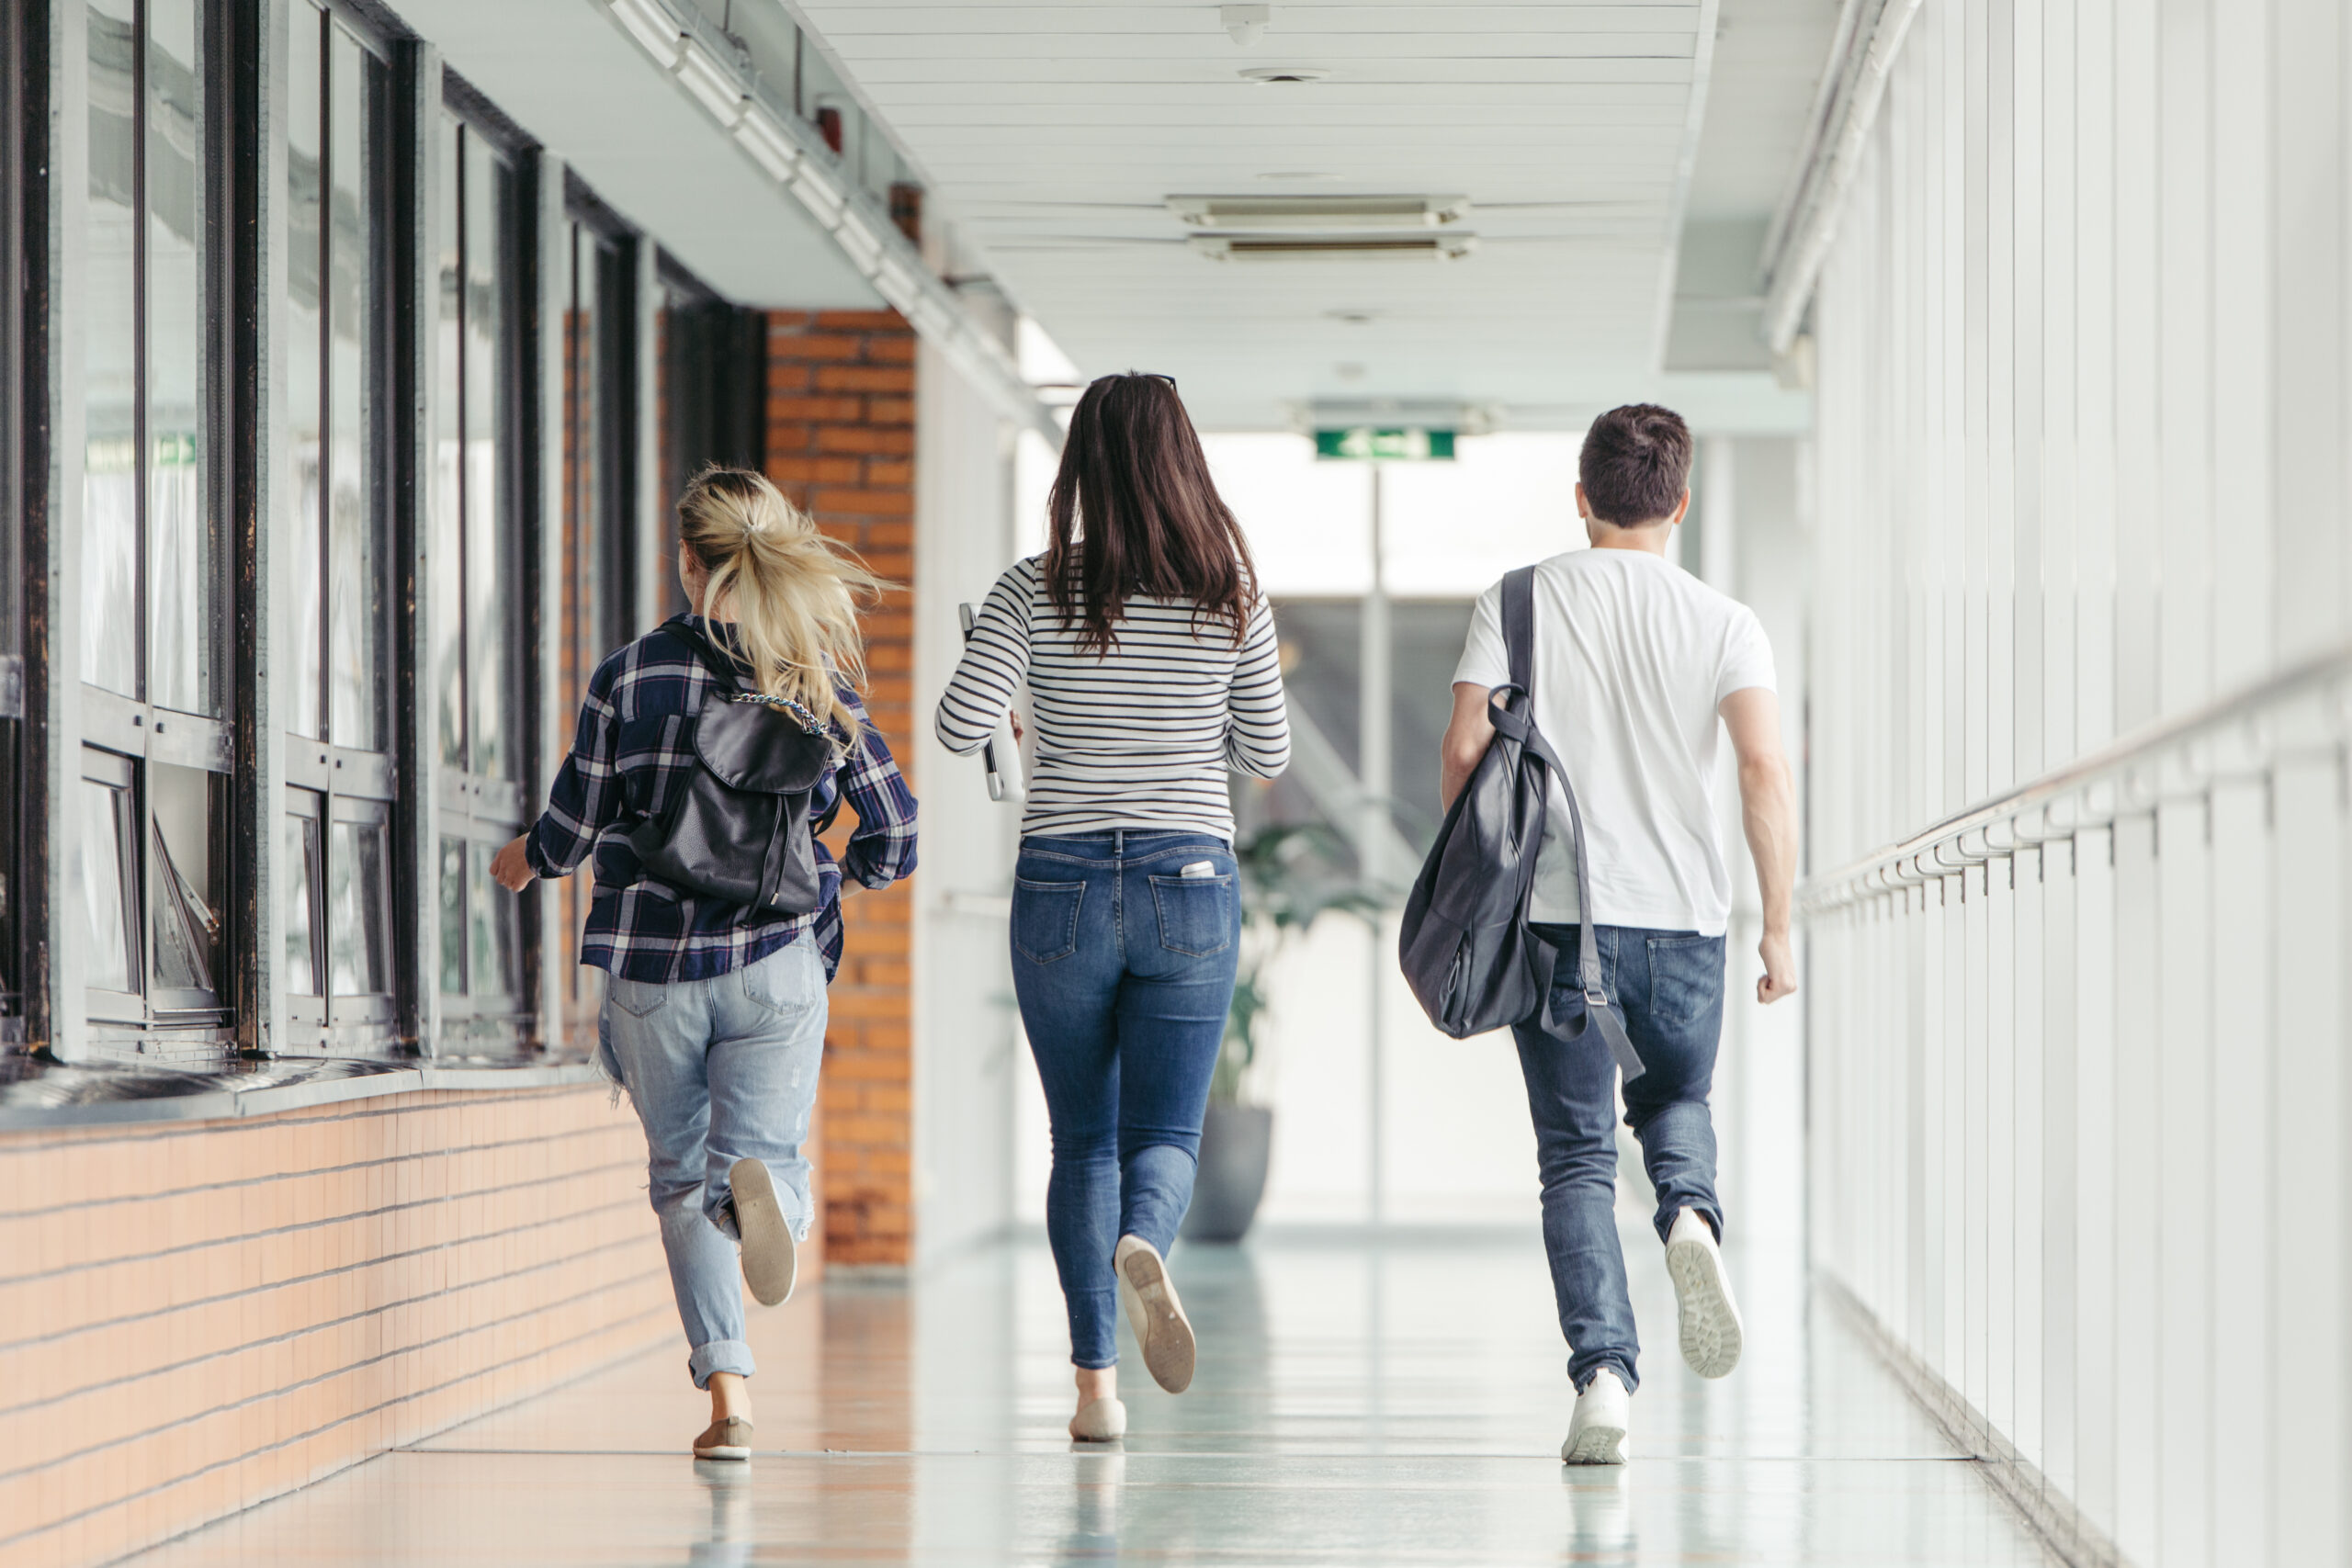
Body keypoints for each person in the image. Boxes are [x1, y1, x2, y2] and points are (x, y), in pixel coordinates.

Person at [491, 467, 918, 1461]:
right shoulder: (815, 680)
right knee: (763, 1157)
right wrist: (834, 877)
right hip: (774, 960)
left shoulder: (630, 675)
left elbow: (572, 825)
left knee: (679, 1178)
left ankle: (729, 1398)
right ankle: (762, 1195)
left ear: (686, 561)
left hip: (652, 973)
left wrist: (525, 861)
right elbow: (895, 831)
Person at [1439, 404, 1798, 1465]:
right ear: (1678, 505)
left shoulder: (1517, 599)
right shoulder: (1726, 620)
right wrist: (1777, 923)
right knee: (1677, 1099)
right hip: (1687, 919)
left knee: (1577, 1159)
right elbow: (1765, 771)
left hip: (1557, 918)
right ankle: (1690, 1214)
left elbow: (1465, 749)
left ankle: (1602, 1381)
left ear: (1583, 495)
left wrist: (1465, 875)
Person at [936, 372, 1290, 1442]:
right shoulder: (1229, 589)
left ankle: (1096, 1393)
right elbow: (1266, 754)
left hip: (1060, 884)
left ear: (1080, 464)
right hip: (1189, 879)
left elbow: (958, 729)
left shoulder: (1030, 587)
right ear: (1183, 461)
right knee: (1167, 1132)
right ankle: (1146, 1237)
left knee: (1080, 1139)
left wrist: (1028, 719)